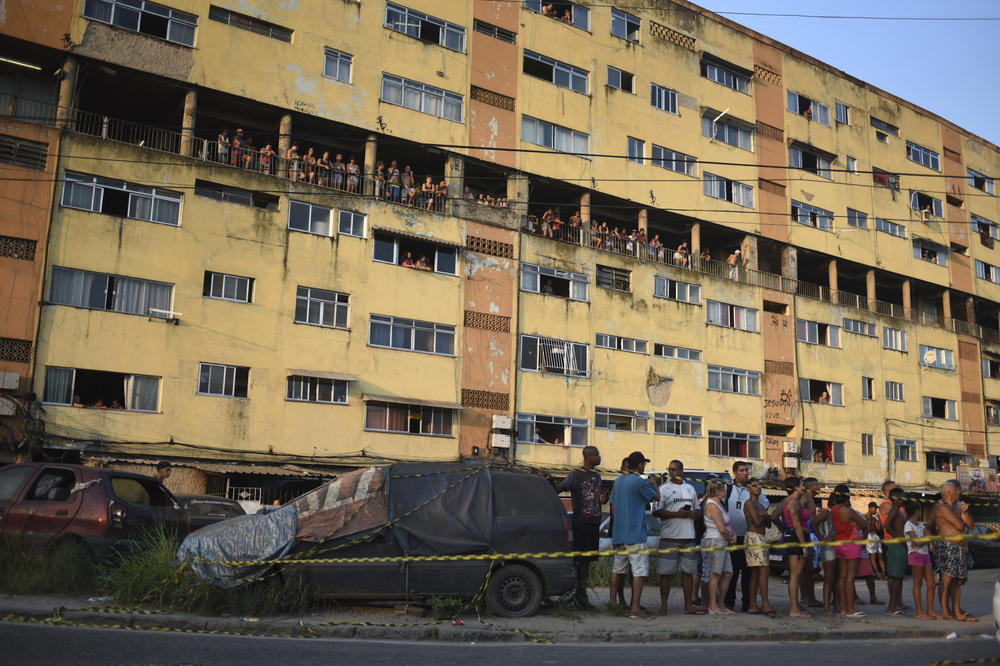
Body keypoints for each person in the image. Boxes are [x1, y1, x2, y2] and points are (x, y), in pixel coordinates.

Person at [608, 451, 658, 619]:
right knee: (639, 571)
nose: (644, 467)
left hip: (619, 532)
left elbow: (613, 508)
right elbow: (656, 497)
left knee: (617, 569)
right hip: (635, 533)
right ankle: (635, 609)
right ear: (639, 465)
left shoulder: (618, 481)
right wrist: (653, 483)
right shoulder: (639, 482)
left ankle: (613, 604)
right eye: (643, 464)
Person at [652, 459, 704, 615]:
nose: (671, 472)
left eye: (674, 469)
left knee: (688, 573)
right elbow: (656, 511)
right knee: (666, 573)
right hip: (669, 537)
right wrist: (677, 514)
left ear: (681, 471)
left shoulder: (690, 488)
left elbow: (698, 510)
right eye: (670, 469)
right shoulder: (663, 489)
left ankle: (688, 606)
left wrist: (692, 513)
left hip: (688, 536)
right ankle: (663, 606)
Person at [561, 446, 604, 609]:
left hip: (594, 522)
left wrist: (601, 500)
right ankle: (580, 597)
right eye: (597, 455)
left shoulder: (597, 476)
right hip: (581, 522)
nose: (599, 458)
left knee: (588, 561)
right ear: (589, 456)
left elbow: (595, 498)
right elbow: (562, 487)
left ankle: (581, 595)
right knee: (582, 561)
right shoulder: (576, 474)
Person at [724, 460, 769, 612]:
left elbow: (765, 505)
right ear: (734, 472)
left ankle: (748, 604)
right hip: (732, 537)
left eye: (746, 471)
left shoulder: (753, 489)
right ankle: (728, 603)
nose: (745, 473)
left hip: (749, 536)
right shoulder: (727, 488)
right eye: (741, 470)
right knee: (732, 572)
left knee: (749, 572)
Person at [933, 480, 976, 621]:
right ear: (950, 493)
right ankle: (945, 611)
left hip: (960, 547)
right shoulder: (941, 507)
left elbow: (970, 525)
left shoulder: (958, 507)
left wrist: (965, 512)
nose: (960, 492)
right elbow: (959, 525)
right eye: (957, 490)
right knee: (946, 580)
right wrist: (961, 513)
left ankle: (957, 612)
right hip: (947, 546)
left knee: (958, 581)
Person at [831, 484, 868, 617]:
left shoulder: (833, 510)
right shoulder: (848, 511)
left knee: (842, 577)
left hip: (839, 543)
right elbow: (864, 524)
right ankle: (850, 608)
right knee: (850, 578)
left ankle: (843, 608)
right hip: (851, 544)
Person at [743, 477, 776, 617]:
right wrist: (764, 516)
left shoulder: (761, 505)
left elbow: (768, 524)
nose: (758, 488)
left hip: (761, 537)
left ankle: (753, 605)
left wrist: (764, 516)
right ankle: (764, 603)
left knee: (757, 572)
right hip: (753, 537)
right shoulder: (749, 503)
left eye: (759, 485)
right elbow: (757, 522)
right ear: (749, 489)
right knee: (763, 570)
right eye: (755, 486)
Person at [702, 479, 735, 615]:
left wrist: (732, 535)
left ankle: (721, 604)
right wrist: (730, 537)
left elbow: (726, 525)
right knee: (715, 572)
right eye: (723, 489)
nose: (725, 491)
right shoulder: (712, 506)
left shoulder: (719, 504)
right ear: (717, 490)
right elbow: (721, 528)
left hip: (723, 541)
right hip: (715, 540)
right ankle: (713, 606)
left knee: (728, 572)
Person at [782, 476, 810, 618]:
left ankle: (795, 606)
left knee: (795, 575)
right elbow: (797, 524)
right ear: (796, 487)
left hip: (793, 535)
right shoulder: (794, 503)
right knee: (795, 574)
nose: (804, 486)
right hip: (796, 537)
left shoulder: (790, 501)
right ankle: (794, 609)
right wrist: (804, 545)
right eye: (802, 484)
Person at [904, 500, 937, 620]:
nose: (921, 512)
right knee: (918, 582)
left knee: (931, 583)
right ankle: (919, 611)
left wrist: (923, 540)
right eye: (919, 510)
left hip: (925, 554)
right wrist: (925, 540)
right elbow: (917, 542)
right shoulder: (908, 525)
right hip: (915, 555)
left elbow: (923, 539)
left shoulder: (920, 524)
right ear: (916, 511)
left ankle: (930, 610)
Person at [884, 487, 908, 615]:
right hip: (897, 546)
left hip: (899, 545)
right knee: (896, 577)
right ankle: (891, 607)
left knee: (897, 577)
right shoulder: (894, 509)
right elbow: (886, 525)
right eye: (902, 496)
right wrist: (897, 536)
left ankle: (895, 605)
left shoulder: (898, 510)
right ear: (896, 498)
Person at [866, 501, 888, 580]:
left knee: (880, 556)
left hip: (876, 536)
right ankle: (878, 575)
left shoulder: (874, 518)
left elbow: (879, 528)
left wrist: (878, 518)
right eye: (874, 508)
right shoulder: (865, 517)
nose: (876, 510)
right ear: (870, 508)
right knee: (873, 557)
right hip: (870, 537)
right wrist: (873, 527)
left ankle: (884, 574)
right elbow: (867, 528)